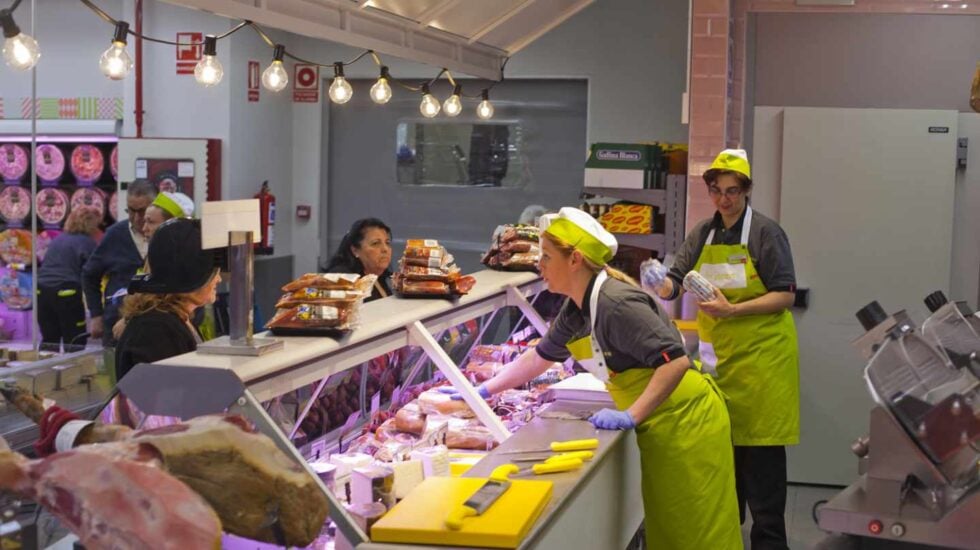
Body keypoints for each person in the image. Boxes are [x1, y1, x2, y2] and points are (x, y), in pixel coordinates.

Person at [451, 207, 742, 549]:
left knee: (697, 532)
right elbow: (540, 357)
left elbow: (674, 362)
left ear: (574, 259)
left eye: (546, 256)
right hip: (661, 423)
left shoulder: (616, 303)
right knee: (672, 529)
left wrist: (630, 415)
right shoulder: (577, 308)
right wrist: (481, 390)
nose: (539, 265)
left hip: (687, 422)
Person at [649, 149, 800, 550]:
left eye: (732, 191)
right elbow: (675, 284)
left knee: (764, 474)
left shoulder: (767, 233)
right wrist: (658, 282)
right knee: (725, 466)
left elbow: (785, 295)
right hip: (719, 367)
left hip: (764, 366)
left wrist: (733, 310)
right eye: (716, 191)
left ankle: (769, 544)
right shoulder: (702, 233)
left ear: (747, 190)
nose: (724, 200)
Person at [115, 218, 221, 381]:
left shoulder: (175, 318)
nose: (219, 279)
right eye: (213, 273)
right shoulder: (155, 329)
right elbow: (166, 396)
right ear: (190, 272)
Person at [82, 180, 156, 346]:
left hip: (153, 325)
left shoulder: (165, 233)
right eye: (131, 211)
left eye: (142, 211)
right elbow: (89, 275)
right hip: (116, 325)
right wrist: (96, 315)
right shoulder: (115, 235)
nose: (136, 218)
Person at [36, 207, 102, 351]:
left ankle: (44, 371)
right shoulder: (86, 243)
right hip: (66, 292)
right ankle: (72, 371)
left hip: (41, 292)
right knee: (74, 339)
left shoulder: (57, 240)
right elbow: (93, 272)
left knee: (49, 339)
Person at [322, 218, 393, 302]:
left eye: (387, 243)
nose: (385, 249)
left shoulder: (378, 276)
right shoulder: (342, 278)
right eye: (375, 243)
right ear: (355, 250)